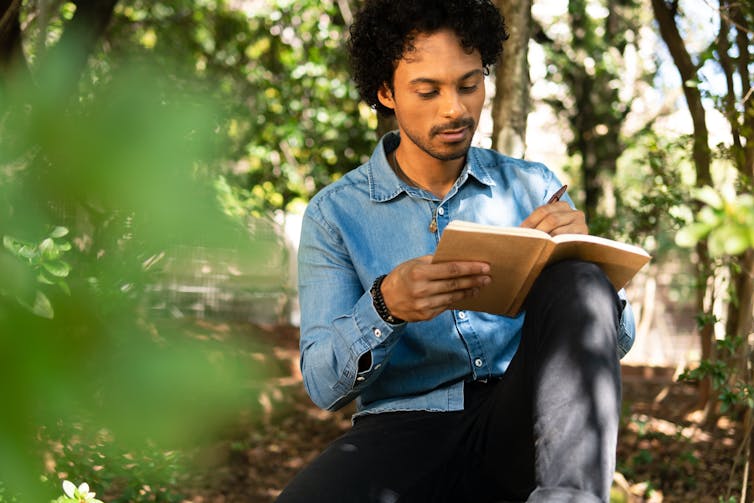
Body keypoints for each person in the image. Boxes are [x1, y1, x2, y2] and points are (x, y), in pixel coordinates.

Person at [278, 0, 636, 501]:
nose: (456, 109)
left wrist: (587, 265)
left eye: (469, 85)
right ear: (387, 93)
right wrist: (384, 307)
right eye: (428, 91)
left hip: (524, 422)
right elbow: (322, 387)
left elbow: (616, 343)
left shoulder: (536, 187)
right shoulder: (334, 214)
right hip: (402, 429)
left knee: (579, 276)